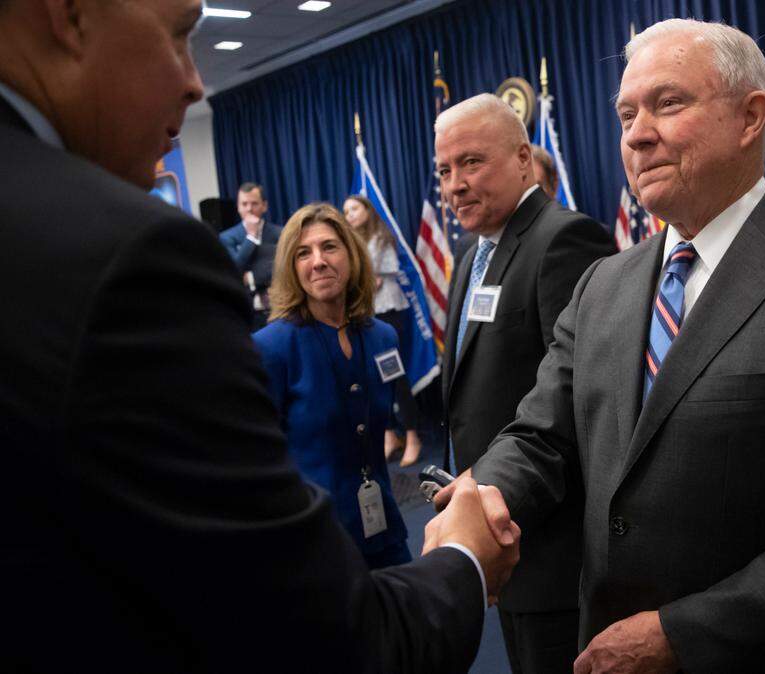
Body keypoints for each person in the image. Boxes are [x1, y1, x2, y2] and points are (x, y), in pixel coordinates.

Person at [0, 0, 517, 671]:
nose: (194, 83)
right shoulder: (132, 258)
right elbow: (324, 640)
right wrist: (465, 557)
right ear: (66, 15)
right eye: (180, 35)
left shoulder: (372, 335)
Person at [439, 19, 765, 673]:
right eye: (625, 114)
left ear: (750, 117)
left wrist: (681, 635)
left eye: (668, 104)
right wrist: (482, 500)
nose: (637, 134)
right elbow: (540, 438)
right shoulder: (601, 284)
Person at [435, 93, 616, 673]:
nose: (455, 184)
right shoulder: (472, 255)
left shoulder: (564, 239)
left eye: (471, 162)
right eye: (444, 170)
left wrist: (492, 485)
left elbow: (578, 399)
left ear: (521, 159)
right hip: (497, 532)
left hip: (550, 543)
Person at [253, 203, 415, 568]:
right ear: (291, 268)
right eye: (303, 253)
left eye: (329, 246)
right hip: (314, 545)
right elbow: (258, 460)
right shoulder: (272, 347)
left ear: (351, 254)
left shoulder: (383, 337)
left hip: (385, 531)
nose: (318, 261)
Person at [343, 194, 424, 466]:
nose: (349, 215)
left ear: (367, 210)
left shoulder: (380, 237)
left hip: (388, 314)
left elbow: (383, 273)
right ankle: (390, 434)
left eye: (354, 209)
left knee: (395, 375)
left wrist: (363, 277)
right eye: (346, 211)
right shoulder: (348, 243)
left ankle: (412, 435)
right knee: (372, 378)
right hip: (362, 315)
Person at [219, 182, 282, 328]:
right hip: (245, 314)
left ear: (264, 206)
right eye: (244, 204)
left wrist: (251, 277)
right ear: (238, 207)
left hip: (278, 310)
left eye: (254, 203)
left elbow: (281, 268)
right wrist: (251, 237)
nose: (249, 208)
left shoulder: (280, 233)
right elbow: (233, 271)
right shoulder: (227, 237)